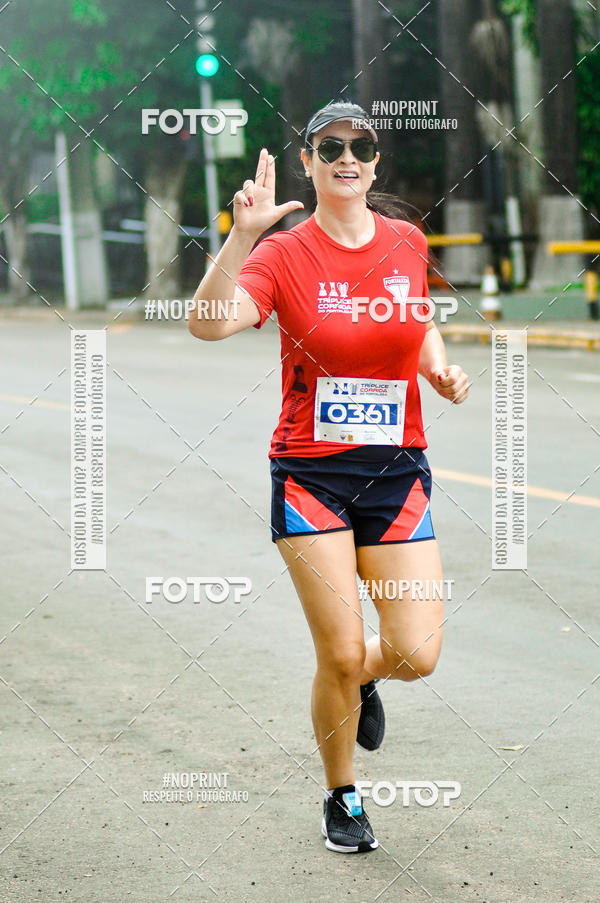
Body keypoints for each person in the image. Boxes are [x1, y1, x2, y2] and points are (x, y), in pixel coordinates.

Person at [189, 101, 469, 854]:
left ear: (376, 163)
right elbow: (208, 322)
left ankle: (364, 680)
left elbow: (416, 316)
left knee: (415, 653)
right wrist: (241, 236)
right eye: (330, 146)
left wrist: (436, 365)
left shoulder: (407, 241)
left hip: (397, 473)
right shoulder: (282, 255)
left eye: (361, 146)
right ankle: (341, 795)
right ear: (309, 163)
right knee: (340, 651)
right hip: (312, 474)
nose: (348, 156)